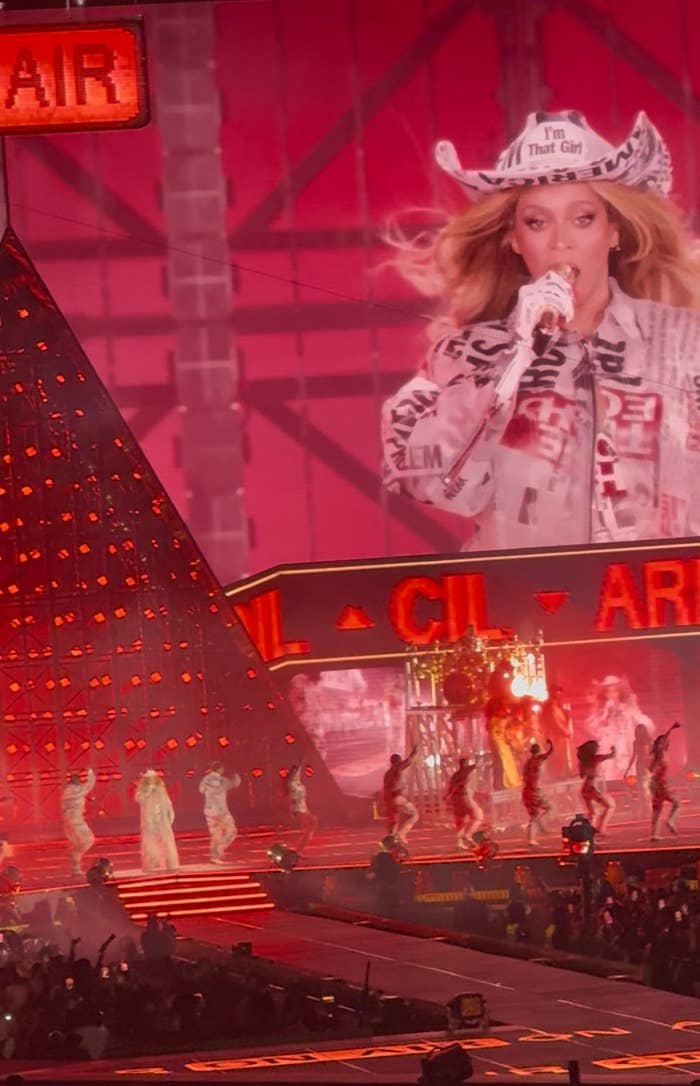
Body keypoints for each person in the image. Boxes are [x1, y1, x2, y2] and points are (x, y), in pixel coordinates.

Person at [381, 110, 700, 550]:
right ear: (514, 238)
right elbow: (433, 484)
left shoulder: (687, 343)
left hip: (671, 607)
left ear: (614, 232)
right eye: (537, 222)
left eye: (582, 218)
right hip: (530, 612)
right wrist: (514, 360)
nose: (560, 242)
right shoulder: (462, 355)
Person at [135, 769, 179, 873]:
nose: (152, 780)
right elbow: (138, 799)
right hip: (150, 819)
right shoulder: (143, 789)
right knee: (150, 841)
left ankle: (171, 864)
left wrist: (171, 812)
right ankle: (151, 864)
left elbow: (167, 800)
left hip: (162, 818)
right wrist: (148, 792)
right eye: (149, 778)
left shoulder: (160, 788)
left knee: (167, 840)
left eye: (153, 778)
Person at [199, 762, 241, 865]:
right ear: (220, 769)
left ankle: (215, 855)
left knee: (216, 834)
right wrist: (237, 776)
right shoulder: (222, 780)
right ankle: (219, 849)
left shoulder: (205, 780)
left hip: (209, 811)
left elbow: (201, 790)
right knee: (231, 831)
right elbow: (234, 784)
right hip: (221, 811)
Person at [61, 767, 96, 877]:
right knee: (88, 840)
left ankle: (75, 869)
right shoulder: (78, 790)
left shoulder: (66, 792)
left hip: (68, 822)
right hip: (76, 821)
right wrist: (90, 771)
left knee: (78, 843)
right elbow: (90, 783)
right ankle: (73, 853)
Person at [650, 722, 682, 841]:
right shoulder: (660, 755)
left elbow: (663, 738)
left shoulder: (658, 754)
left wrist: (671, 729)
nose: (668, 742)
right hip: (661, 784)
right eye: (665, 741)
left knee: (657, 810)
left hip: (659, 784)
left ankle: (654, 834)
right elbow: (652, 770)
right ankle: (670, 821)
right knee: (676, 803)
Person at [577, 740, 616, 836]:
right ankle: (601, 828)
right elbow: (612, 755)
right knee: (610, 806)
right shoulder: (596, 758)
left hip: (585, 788)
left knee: (593, 812)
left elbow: (582, 775)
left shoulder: (582, 762)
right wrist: (614, 748)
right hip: (592, 787)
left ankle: (589, 831)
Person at [382, 746, 419, 846]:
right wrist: (414, 752)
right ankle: (401, 834)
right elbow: (409, 762)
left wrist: (386, 802)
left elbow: (385, 788)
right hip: (398, 797)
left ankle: (391, 843)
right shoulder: (398, 767)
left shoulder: (387, 773)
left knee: (394, 822)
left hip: (389, 799)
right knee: (414, 814)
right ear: (398, 761)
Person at [445, 756, 483, 850]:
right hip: (465, 797)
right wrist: (480, 759)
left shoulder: (455, 775)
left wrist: (448, 797)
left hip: (456, 799)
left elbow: (451, 788)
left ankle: (459, 843)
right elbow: (476, 765)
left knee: (460, 821)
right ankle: (468, 835)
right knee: (478, 817)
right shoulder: (466, 771)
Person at [521, 739, 554, 847]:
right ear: (538, 751)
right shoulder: (538, 759)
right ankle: (541, 824)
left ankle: (532, 840)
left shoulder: (527, 763)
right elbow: (549, 753)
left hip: (527, 791)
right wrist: (550, 744)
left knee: (533, 816)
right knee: (549, 808)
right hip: (535, 791)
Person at [541, 687, 574, 778]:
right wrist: (565, 731)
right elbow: (556, 722)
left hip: (560, 735)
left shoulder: (558, 706)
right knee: (557, 756)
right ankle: (558, 774)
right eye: (558, 694)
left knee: (562, 755)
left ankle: (563, 772)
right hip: (556, 735)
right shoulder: (551, 706)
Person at [287, 763, 317, 854]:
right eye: (296, 773)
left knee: (312, 823)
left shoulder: (298, 783)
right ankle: (298, 850)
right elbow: (292, 796)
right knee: (309, 827)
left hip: (302, 808)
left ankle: (299, 849)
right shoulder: (292, 783)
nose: (298, 774)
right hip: (297, 809)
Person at [624, 722, 653, 816]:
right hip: (639, 766)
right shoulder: (635, 742)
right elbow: (634, 756)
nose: (639, 732)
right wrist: (627, 770)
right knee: (641, 790)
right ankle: (645, 810)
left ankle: (650, 809)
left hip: (647, 766)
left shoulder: (649, 740)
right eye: (638, 731)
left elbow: (653, 754)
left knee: (646, 789)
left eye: (641, 730)